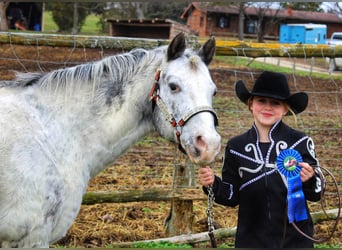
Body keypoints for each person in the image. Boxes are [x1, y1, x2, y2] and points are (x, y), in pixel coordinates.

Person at [198, 71, 325, 248]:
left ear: (285, 108)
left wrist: (310, 179)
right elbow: (232, 195)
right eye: (261, 101)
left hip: (295, 239)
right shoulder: (236, 147)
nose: (268, 107)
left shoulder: (300, 142)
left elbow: (316, 193)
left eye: (275, 103)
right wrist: (213, 184)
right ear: (251, 104)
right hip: (251, 239)